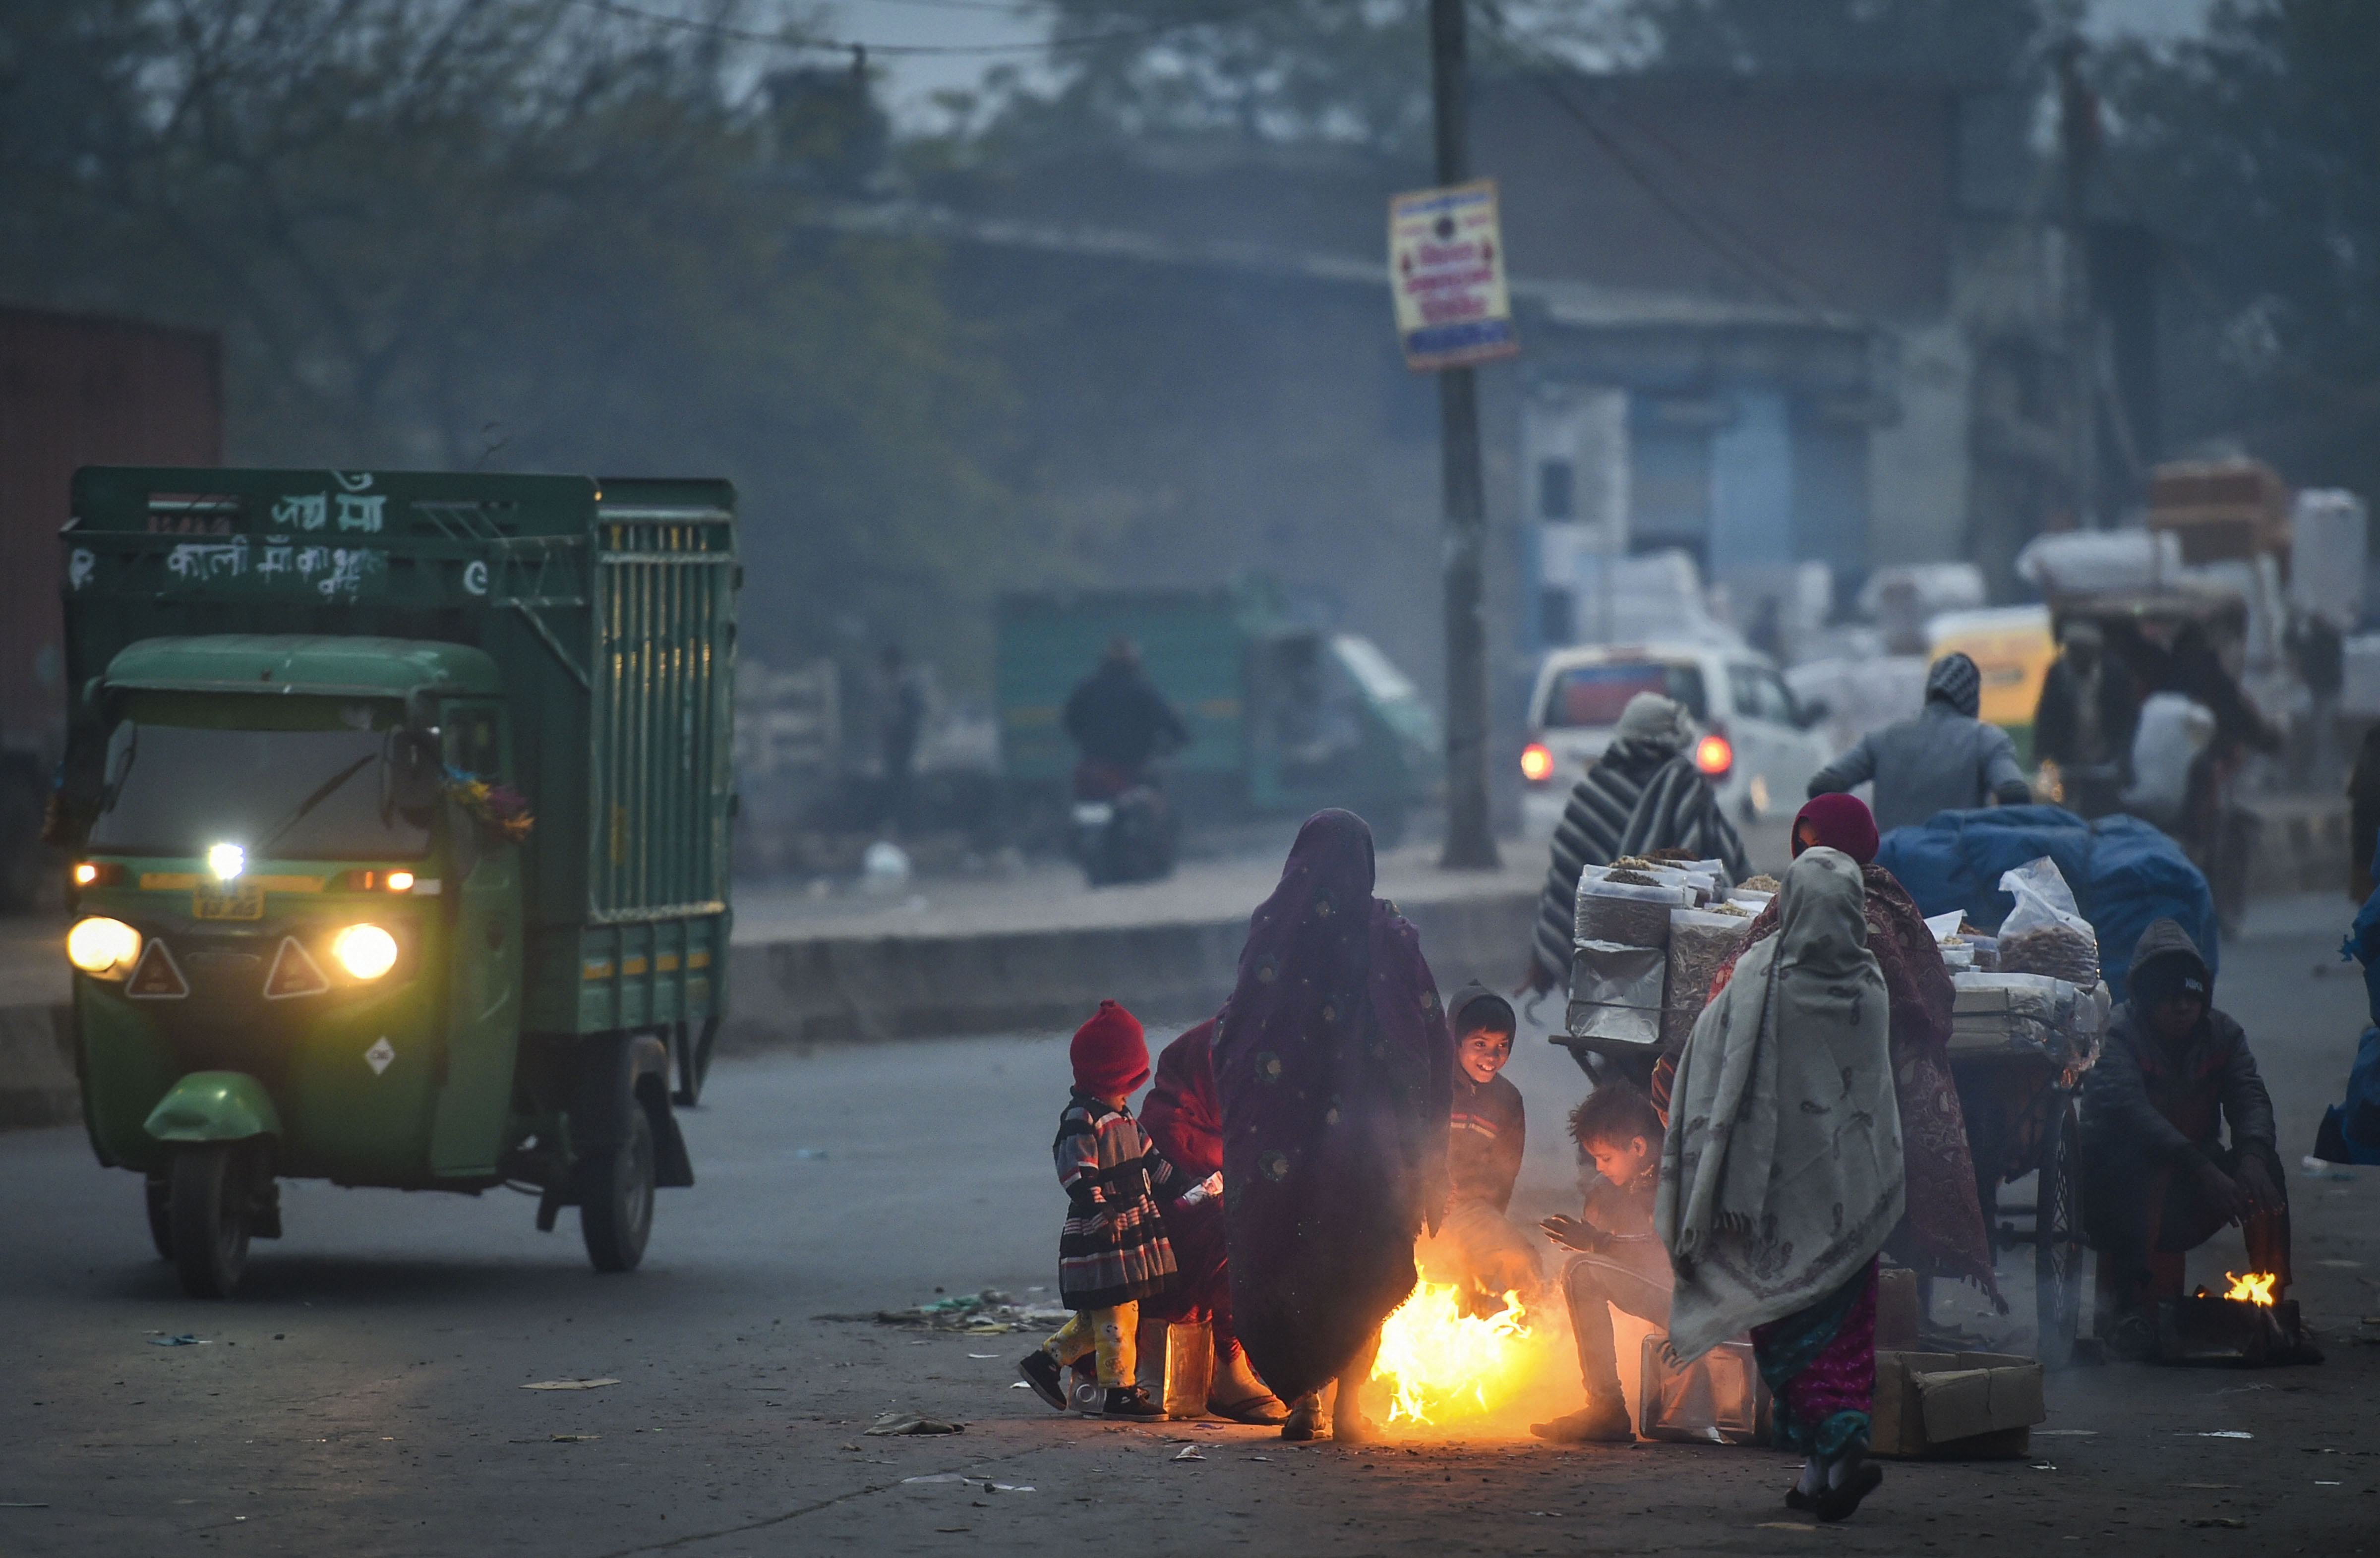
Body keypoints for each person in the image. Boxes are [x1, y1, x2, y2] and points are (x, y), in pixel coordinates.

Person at [1675, 796, 1999, 1303]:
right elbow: (1731, 987)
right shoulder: (1788, 905)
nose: (1811, 859)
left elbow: (1918, 1000)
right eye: (1803, 849)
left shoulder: (1877, 913)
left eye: (1821, 846)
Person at [1660, 847, 1903, 1523]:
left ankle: (1836, 1451)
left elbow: (1708, 1057)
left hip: (1769, 1206)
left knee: (1786, 1332)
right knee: (1847, 1338)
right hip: (1851, 1198)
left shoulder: (1758, 979)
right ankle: (1820, 1476)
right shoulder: (1870, 983)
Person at [1214, 809, 1452, 1443]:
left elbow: (1234, 1036)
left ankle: (1304, 1404)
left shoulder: (1272, 929)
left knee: (1297, 1260)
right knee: (1361, 1262)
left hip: (1284, 1149)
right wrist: (1428, 1153)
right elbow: (1428, 1037)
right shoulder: (1388, 934)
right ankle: (1347, 1409)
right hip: (1366, 1150)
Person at [2082, 920, 2302, 1361]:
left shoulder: (2225, 1035)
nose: (2182, 1008)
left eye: (2191, 996)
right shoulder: (2117, 1035)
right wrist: (2201, 1169)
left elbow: (2250, 1098)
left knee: (2265, 1172)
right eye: (2169, 998)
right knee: (2138, 1165)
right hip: (2122, 1194)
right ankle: (2129, 1308)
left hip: (2194, 1189)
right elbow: (2132, 1115)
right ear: (2144, 1000)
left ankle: (2272, 1301)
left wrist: (2253, 1158)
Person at [1018, 1000, 1198, 1420]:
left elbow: (1151, 1161)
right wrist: (1099, 1212)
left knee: (1107, 1312)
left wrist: (1189, 1189)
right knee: (1117, 1314)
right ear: (1120, 1072)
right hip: (1105, 1233)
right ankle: (1120, 1391)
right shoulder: (1082, 1118)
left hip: (1129, 1229)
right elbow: (1076, 1172)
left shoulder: (1123, 1115)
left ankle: (1046, 1361)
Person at [1527, 692, 1752, 995]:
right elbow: (1718, 863)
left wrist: (1545, 956)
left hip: (1603, 956)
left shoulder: (1593, 789)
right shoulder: (1684, 785)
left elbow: (1563, 884)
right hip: (1678, 953)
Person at [1137, 1012, 1291, 1424]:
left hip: (1198, 1248)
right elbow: (1183, 1203)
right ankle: (1229, 1371)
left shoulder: (1236, 1120)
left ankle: (1266, 1364)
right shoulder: (1168, 1122)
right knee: (1232, 1240)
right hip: (1164, 1264)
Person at [1532, 1081, 1668, 1444]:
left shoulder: (1673, 1174)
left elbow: (1660, 1254)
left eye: (1607, 1158)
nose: (1600, 1166)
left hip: (1703, 1302)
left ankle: (1606, 1408)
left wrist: (1597, 1241)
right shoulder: (1639, 1176)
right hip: (1688, 1296)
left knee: (1582, 1273)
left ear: (1638, 1146)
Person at [1416, 983, 1541, 1311]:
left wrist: (1483, 1242)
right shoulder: (1428, 1084)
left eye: (1503, 1045)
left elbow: (1503, 1179)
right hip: (1413, 1211)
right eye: (1480, 1043)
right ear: (1454, 1041)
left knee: (1522, 1259)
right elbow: (1402, 1151)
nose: (1492, 1056)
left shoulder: (1508, 1100)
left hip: (1470, 1213)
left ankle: (1534, 1343)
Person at [1807, 652, 2030, 834]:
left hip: (1893, 872)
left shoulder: (1883, 739)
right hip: (1960, 869)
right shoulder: (1986, 739)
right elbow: (2014, 792)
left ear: (1930, 692)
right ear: (1973, 697)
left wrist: (1859, 837)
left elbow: (1822, 785)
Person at [2034, 621, 2140, 819]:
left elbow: (2128, 720)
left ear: (2095, 652)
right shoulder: (2058, 674)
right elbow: (2046, 717)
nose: (2075, 658)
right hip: (2070, 761)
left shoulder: (2116, 674)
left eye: (2081, 652)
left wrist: (2123, 758)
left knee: (2105, 810)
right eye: (2072, 651)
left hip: (2107, 761)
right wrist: (2041, 756)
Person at [1063, 636, 1190, 800]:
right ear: (1133, 660)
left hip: (1094, 766)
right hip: (1134, 767)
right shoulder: (1142, 691)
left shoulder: (1087, 688)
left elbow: (1070, 721)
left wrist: (1088, 742)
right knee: (1155, 802)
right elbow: (1170, 722)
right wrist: (1181, 739)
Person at [875, 644, 926, 834]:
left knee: (902, 780)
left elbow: (915, 712)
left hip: (904, 739)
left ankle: (907, 824)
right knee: (896, 780)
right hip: (894, 740)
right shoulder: (895, 685)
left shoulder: (906, 685)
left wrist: (900, 721)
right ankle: (901, 823)